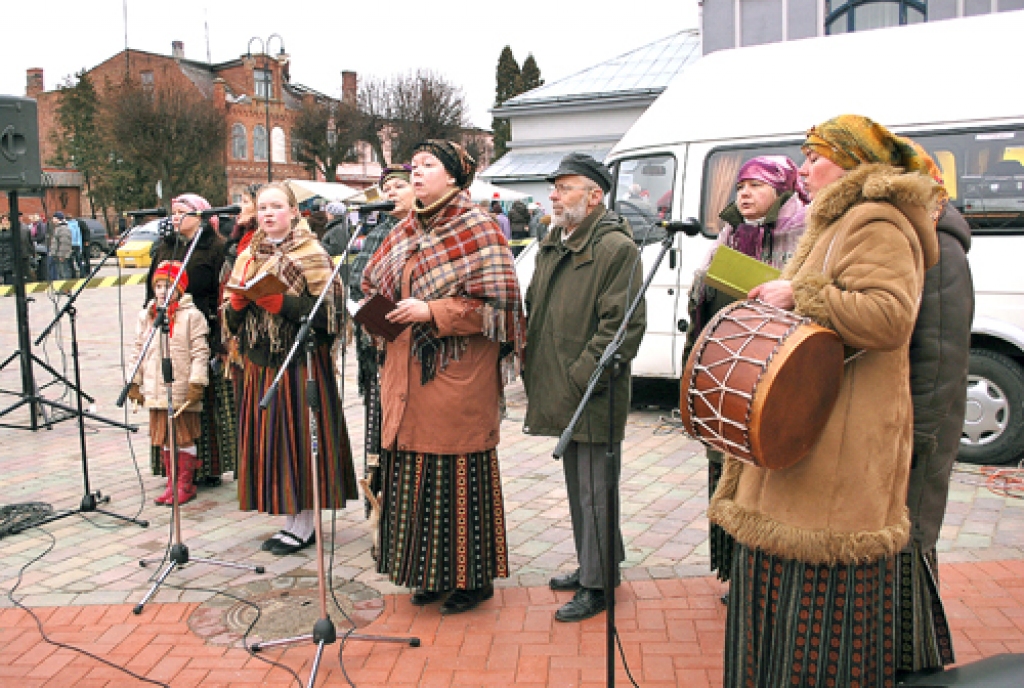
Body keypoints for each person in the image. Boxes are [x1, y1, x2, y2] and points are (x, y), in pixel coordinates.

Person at [708, 114, 943, 687]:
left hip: (841, 440)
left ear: (852, 159)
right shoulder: (837, 220)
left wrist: (801, 292)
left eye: (815, 155)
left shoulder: (878, 220)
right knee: (779, 609)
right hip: (811, 428)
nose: (805, 166)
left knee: (819, 626)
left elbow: (889, 317)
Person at [361, 141, 524, 614]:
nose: (416, 174)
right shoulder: (405, 229)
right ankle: (428, 573)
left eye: (428, 166)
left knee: (456, 481)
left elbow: (502, 308)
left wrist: (432, 310)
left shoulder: (479, 228)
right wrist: (373, 310)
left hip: (454, 377)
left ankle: (473, 581)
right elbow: (375, 282)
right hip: (405, 372)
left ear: (454, 176)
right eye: (413, 166)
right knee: (414, 480)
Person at [522, 152, 646, 623]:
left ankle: (598, 587)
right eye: (554, 187)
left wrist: (582, 375)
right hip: (562, 382)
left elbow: (623, 328)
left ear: (594, 196)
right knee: (580, 487)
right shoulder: (557, 238)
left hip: (592, 389)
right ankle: (596, 563)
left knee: (596, 489)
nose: (553, 194)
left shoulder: (615, 248)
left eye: (564, 187)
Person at [682, 155, 808, 587]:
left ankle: (764, 575)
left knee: (766, 476)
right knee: (724, 469)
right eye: (740, 187)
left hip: (777, 373)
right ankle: (734, 570)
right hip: (730, 368)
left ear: (783, 189)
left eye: (756, 185)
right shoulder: (732, 233)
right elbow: (703, 294)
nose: (745, 194)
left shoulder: (806, 234)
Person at [224, 181, 357, 556]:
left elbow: (329, 315)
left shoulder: (312, 252)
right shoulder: (247, 253)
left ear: (294, 212)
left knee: (299, 439)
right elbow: (231, 322)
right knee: (274, 441)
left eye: (276, 207)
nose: (268, 213)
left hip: (301, 364)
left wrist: (281, 303)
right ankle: (289, 518)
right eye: (262, 207)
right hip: (261, 363)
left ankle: (305, 525)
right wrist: (235, 305)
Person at [897, 203, 973, 681]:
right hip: (898, 423)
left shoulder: (940, 245)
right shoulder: (907, 235)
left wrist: (919, 433)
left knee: (912, 537)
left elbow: (943, 355)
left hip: (920, 426)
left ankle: (916, 656)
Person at [146, 193, 234, 487]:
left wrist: (222, 337)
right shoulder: (165, 246)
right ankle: (174, 470)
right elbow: (152, 287)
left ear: (199, 216)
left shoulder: (216, 247)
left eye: (182, 212)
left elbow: (223, 293)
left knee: (201, 397)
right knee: (170, 390)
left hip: (201, 328)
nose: (175, 217)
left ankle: (207, 466)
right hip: (167, 327)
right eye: (173, 212)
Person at [348, 164, 414, 508]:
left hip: (416, 345)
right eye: (386, 188)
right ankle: (379, 510)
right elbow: (356, 281)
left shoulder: (423, 232)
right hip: (379, 346)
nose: (391, 193)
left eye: (399, 186)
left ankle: (406, 507)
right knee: (377, 425)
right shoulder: (375, 233)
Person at [127, 261, 209, 506]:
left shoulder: (191, 316)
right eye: (159, 286)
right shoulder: (147, 315)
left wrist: (197, 382)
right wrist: (134, 381)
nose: (162, 291)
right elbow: (138, 350)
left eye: (169, 285)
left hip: (181, 387)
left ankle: (186, 483)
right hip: (156, 388)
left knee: (183, 436)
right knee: (164, 437)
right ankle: (171, 482)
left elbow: (200, 351)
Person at [49, 212, 72, 280]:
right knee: (60, 274)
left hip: (61, 256)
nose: (52, 220)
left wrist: (62, 255)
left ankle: (65, 289)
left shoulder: (63, 229)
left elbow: (64, 243)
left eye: (54, 218)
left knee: (64, 273)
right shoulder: (58, 228)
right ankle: (61, 289)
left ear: (58, 219)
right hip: (58, 255)